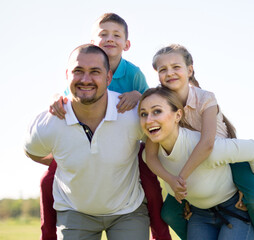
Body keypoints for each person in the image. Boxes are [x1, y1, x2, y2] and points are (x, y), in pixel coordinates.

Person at [43, 13, 171, 240]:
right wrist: (55, 97)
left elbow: (151, 102)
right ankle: (48, 235)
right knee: (47, 181)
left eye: (116, 35)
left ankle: (161, 235)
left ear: (127, 44)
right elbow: (66, 98)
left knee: (149, 182)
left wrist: (136, 95)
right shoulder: (83, 72)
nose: (110, 39)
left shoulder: (132, 73)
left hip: (127, 146)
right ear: (93, 42)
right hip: (83, 142)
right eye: (103, 34)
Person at [144, 44, 254, 240]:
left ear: (190, 70)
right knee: (169, 212)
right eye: (163, 70)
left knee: (253, 198)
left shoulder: (205, 98)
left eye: (176, 67)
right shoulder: (160, 103)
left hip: (226, 157)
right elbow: (150, 155)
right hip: (194, 165)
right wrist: (172, 181)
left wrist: (182, 178)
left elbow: (207, 144)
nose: (169, 73)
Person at [24, 44, 150, 240]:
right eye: (78, 71)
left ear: (108, 77)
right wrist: (64, 161)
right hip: (74, 211)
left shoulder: (133, 115)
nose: (85, 79)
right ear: (67, 75)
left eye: (95, 72)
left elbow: (161, 142)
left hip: (128, 211)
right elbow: (31, 150)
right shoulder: (49, 122)